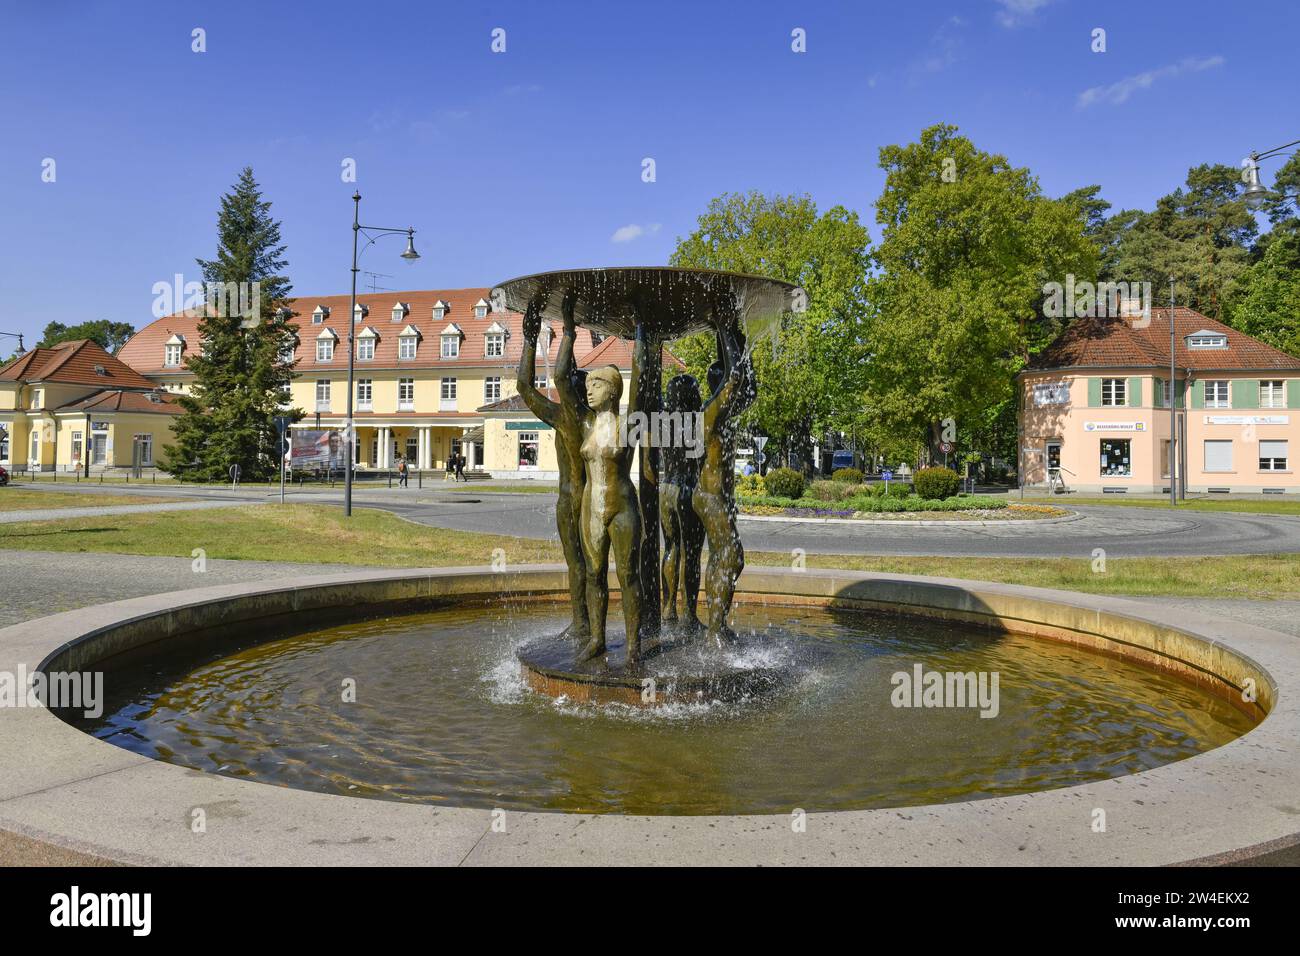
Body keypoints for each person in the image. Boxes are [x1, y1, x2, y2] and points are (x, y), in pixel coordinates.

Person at [559, 326, 645, 664]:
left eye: (596, 385)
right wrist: (567, 329)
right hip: (590, 509)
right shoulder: (585, 424)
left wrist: (640, 335)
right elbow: (563, 381)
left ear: (613, 391)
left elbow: (639, 383)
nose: (588, 390)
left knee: (627, 575)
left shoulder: (629, 424)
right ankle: (597, 638)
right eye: (588, 384)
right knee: (594, 574)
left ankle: (634, 644)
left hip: (623, 507)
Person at [517, 293, 590, 644]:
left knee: (582, 566)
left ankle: (585, 625)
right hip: (577, 503)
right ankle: (586, 625)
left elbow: (541, 381)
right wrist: (544, 334)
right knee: (583, 566)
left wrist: (563, 329)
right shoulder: (578, 418)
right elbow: (538, 383)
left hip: (576, 502)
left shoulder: (572, 418)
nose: (565, 387)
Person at [692, 309, 755, 646]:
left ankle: (717, 625)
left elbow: (749, 387)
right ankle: (715, 629)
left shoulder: (726, 411)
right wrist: (723, 329)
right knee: (731, 556)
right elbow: (735, 379)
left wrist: (735, 336)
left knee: (721, 556)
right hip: (709, 496)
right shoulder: (711, 411)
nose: (737, 387)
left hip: (720, 496)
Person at [660, 373, 704, 633]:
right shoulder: (698, 421)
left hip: (666, 487)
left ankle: (667, 607)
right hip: (689, 488)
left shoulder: (662, 421)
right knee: (692, 553)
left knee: (671, 548)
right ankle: (689, 612)